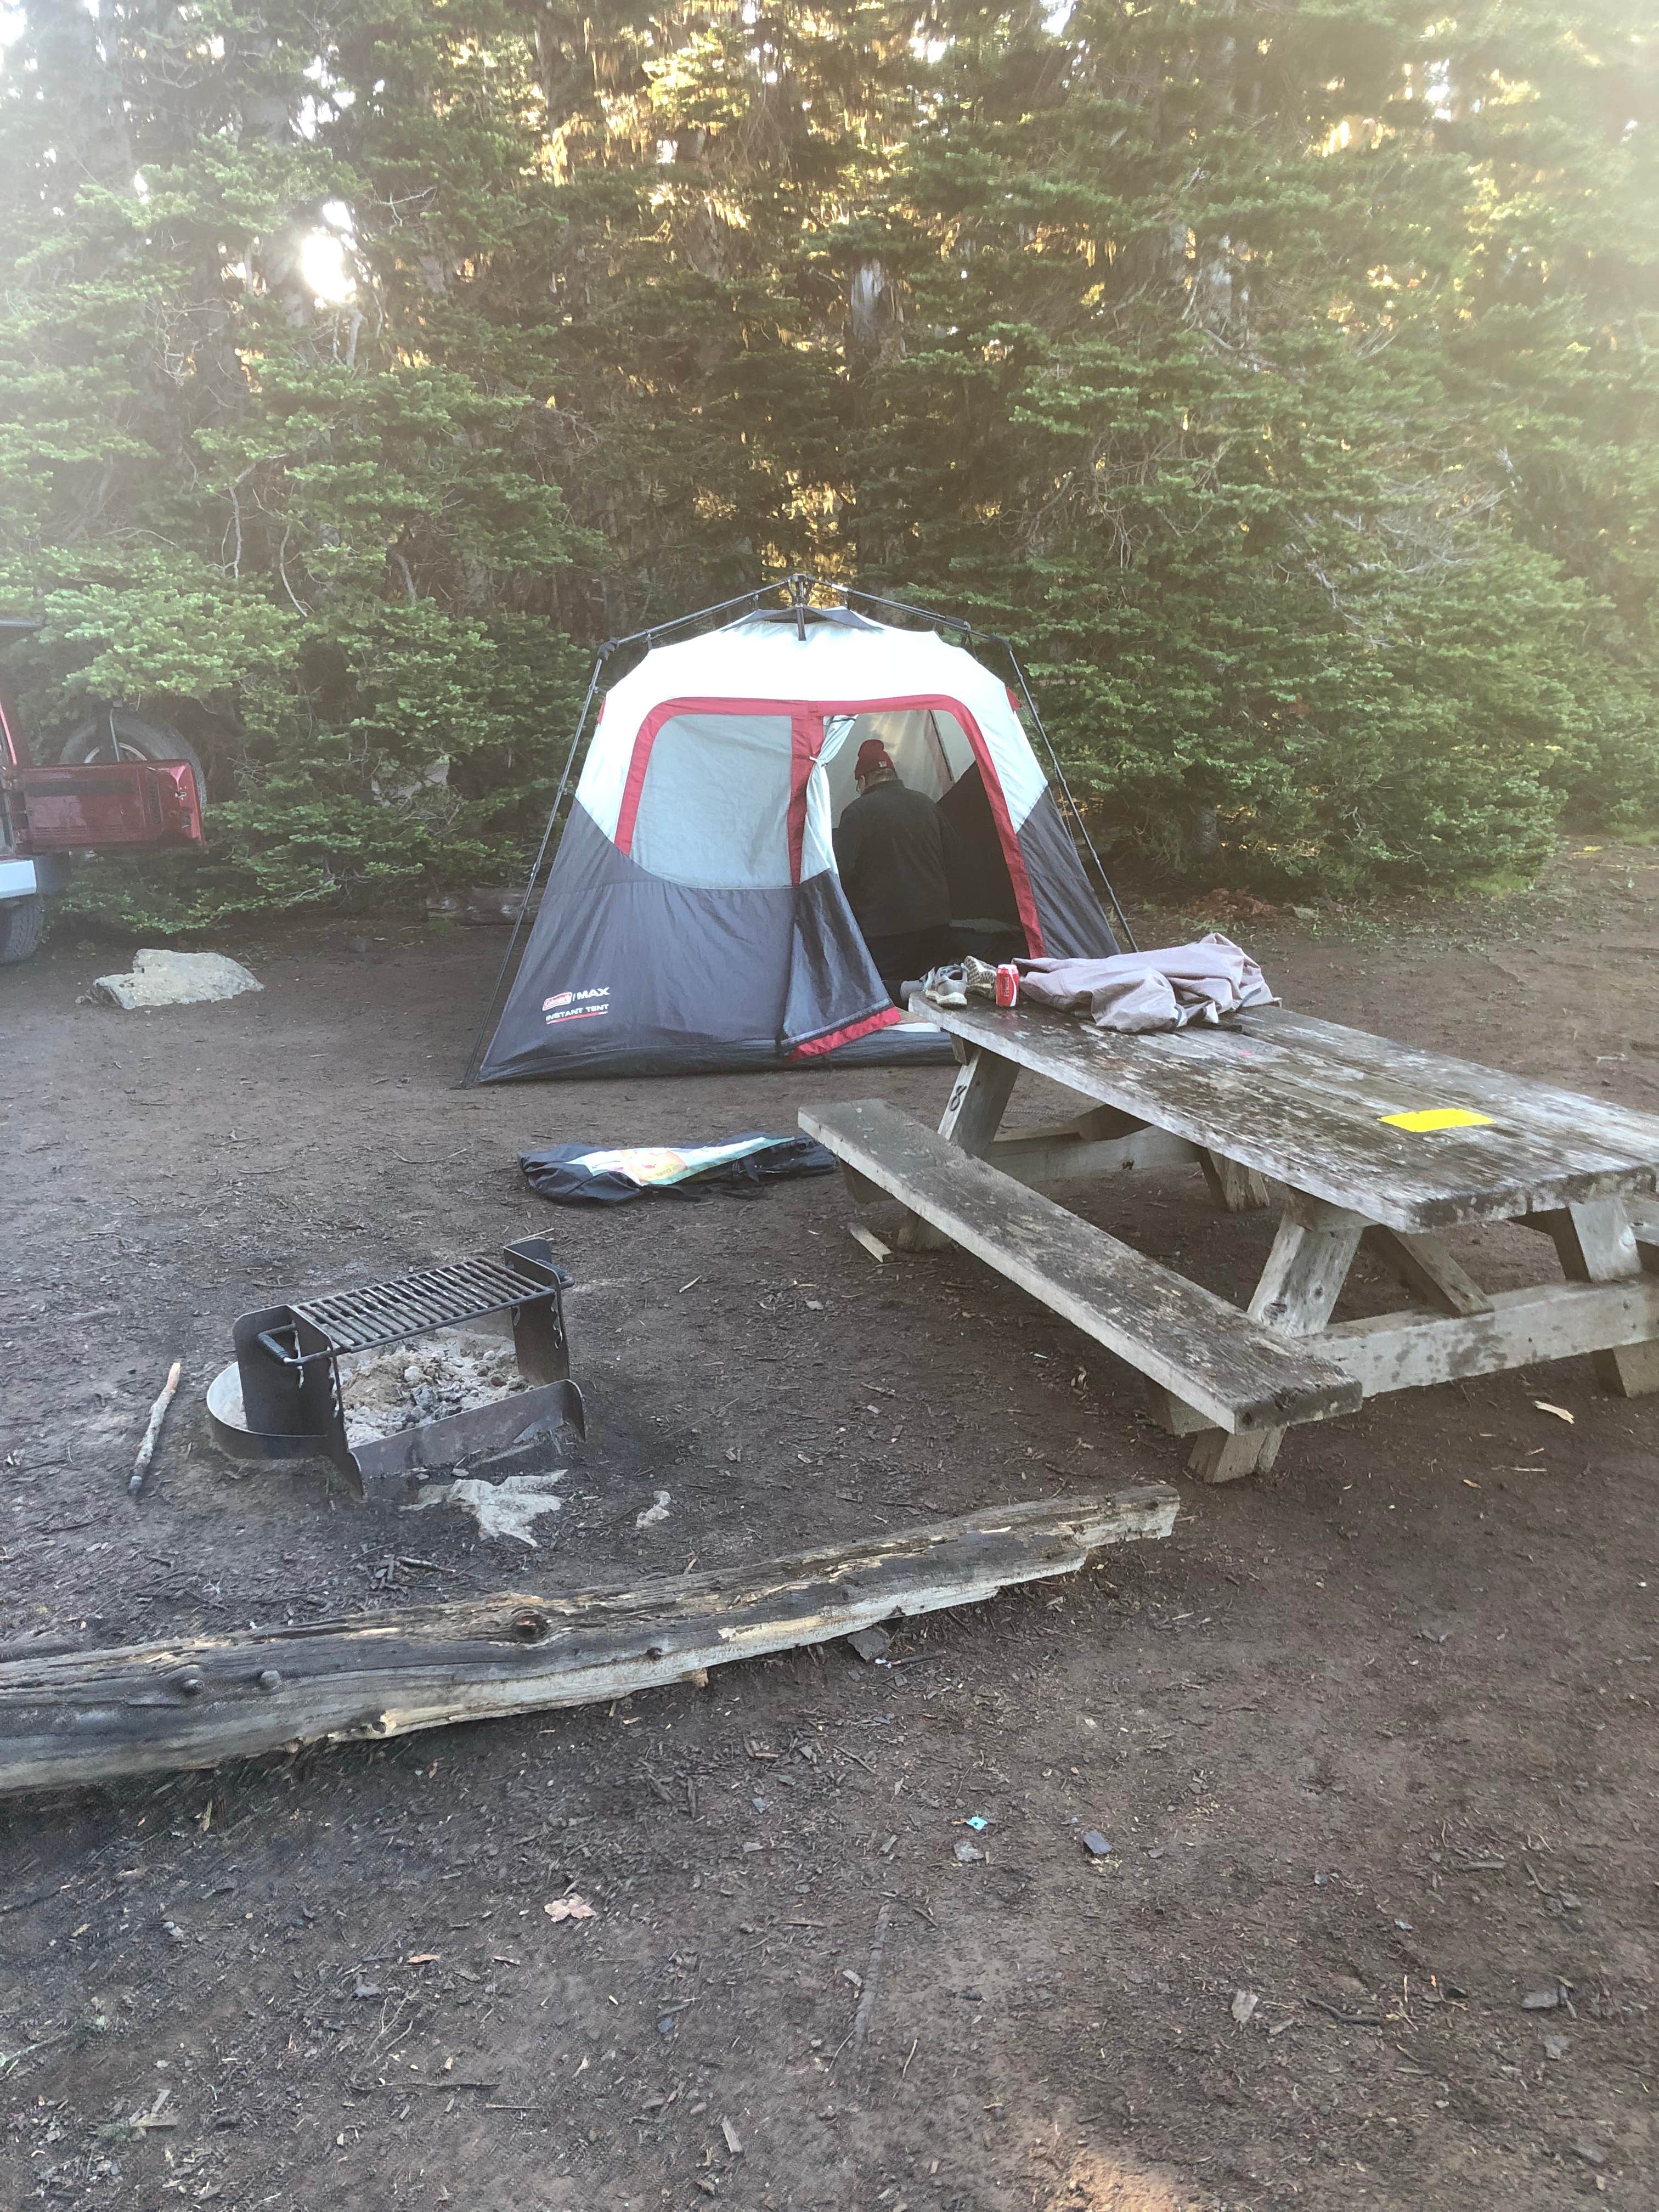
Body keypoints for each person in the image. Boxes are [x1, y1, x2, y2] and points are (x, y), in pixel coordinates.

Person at [832, 738, 962, 1002]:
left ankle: (904, 1022)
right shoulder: (927, 804)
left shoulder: (857, 813)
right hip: (935, 924)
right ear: (892, 774)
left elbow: (841, 872)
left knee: (881, 993)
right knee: (936, 994)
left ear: (863, 781)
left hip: (885, 932)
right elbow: (956, 857)